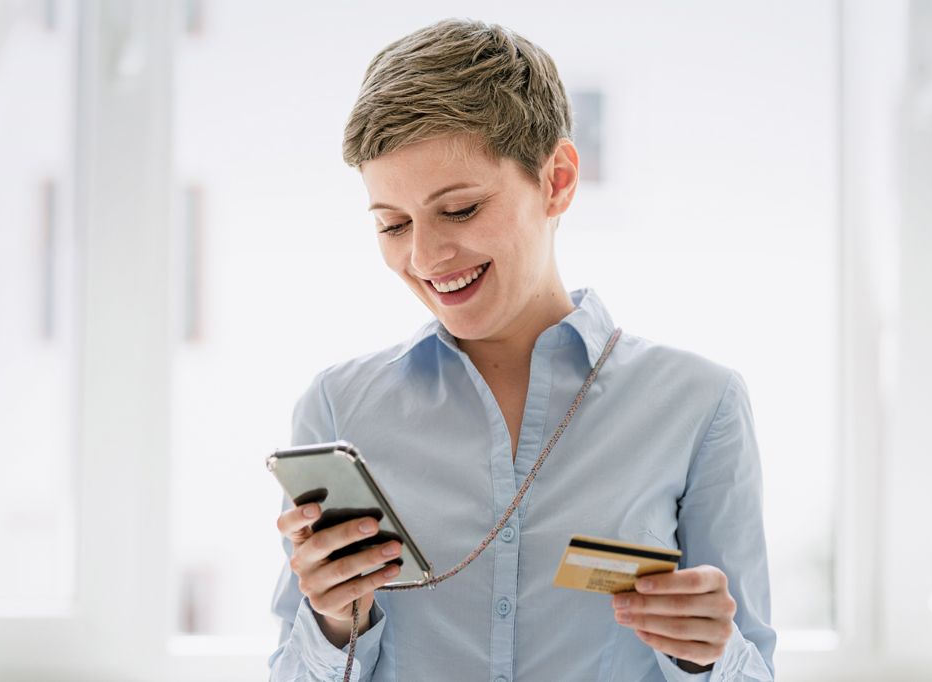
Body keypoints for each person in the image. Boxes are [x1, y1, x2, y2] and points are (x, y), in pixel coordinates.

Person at [269, 18, 775, 681]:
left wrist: (701, 653)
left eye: (459, 211)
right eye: (392, 223)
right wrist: (337, 624)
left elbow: (751, 671)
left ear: (558, 180)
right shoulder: (339, 408)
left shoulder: (700, 405)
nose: (423, 257)